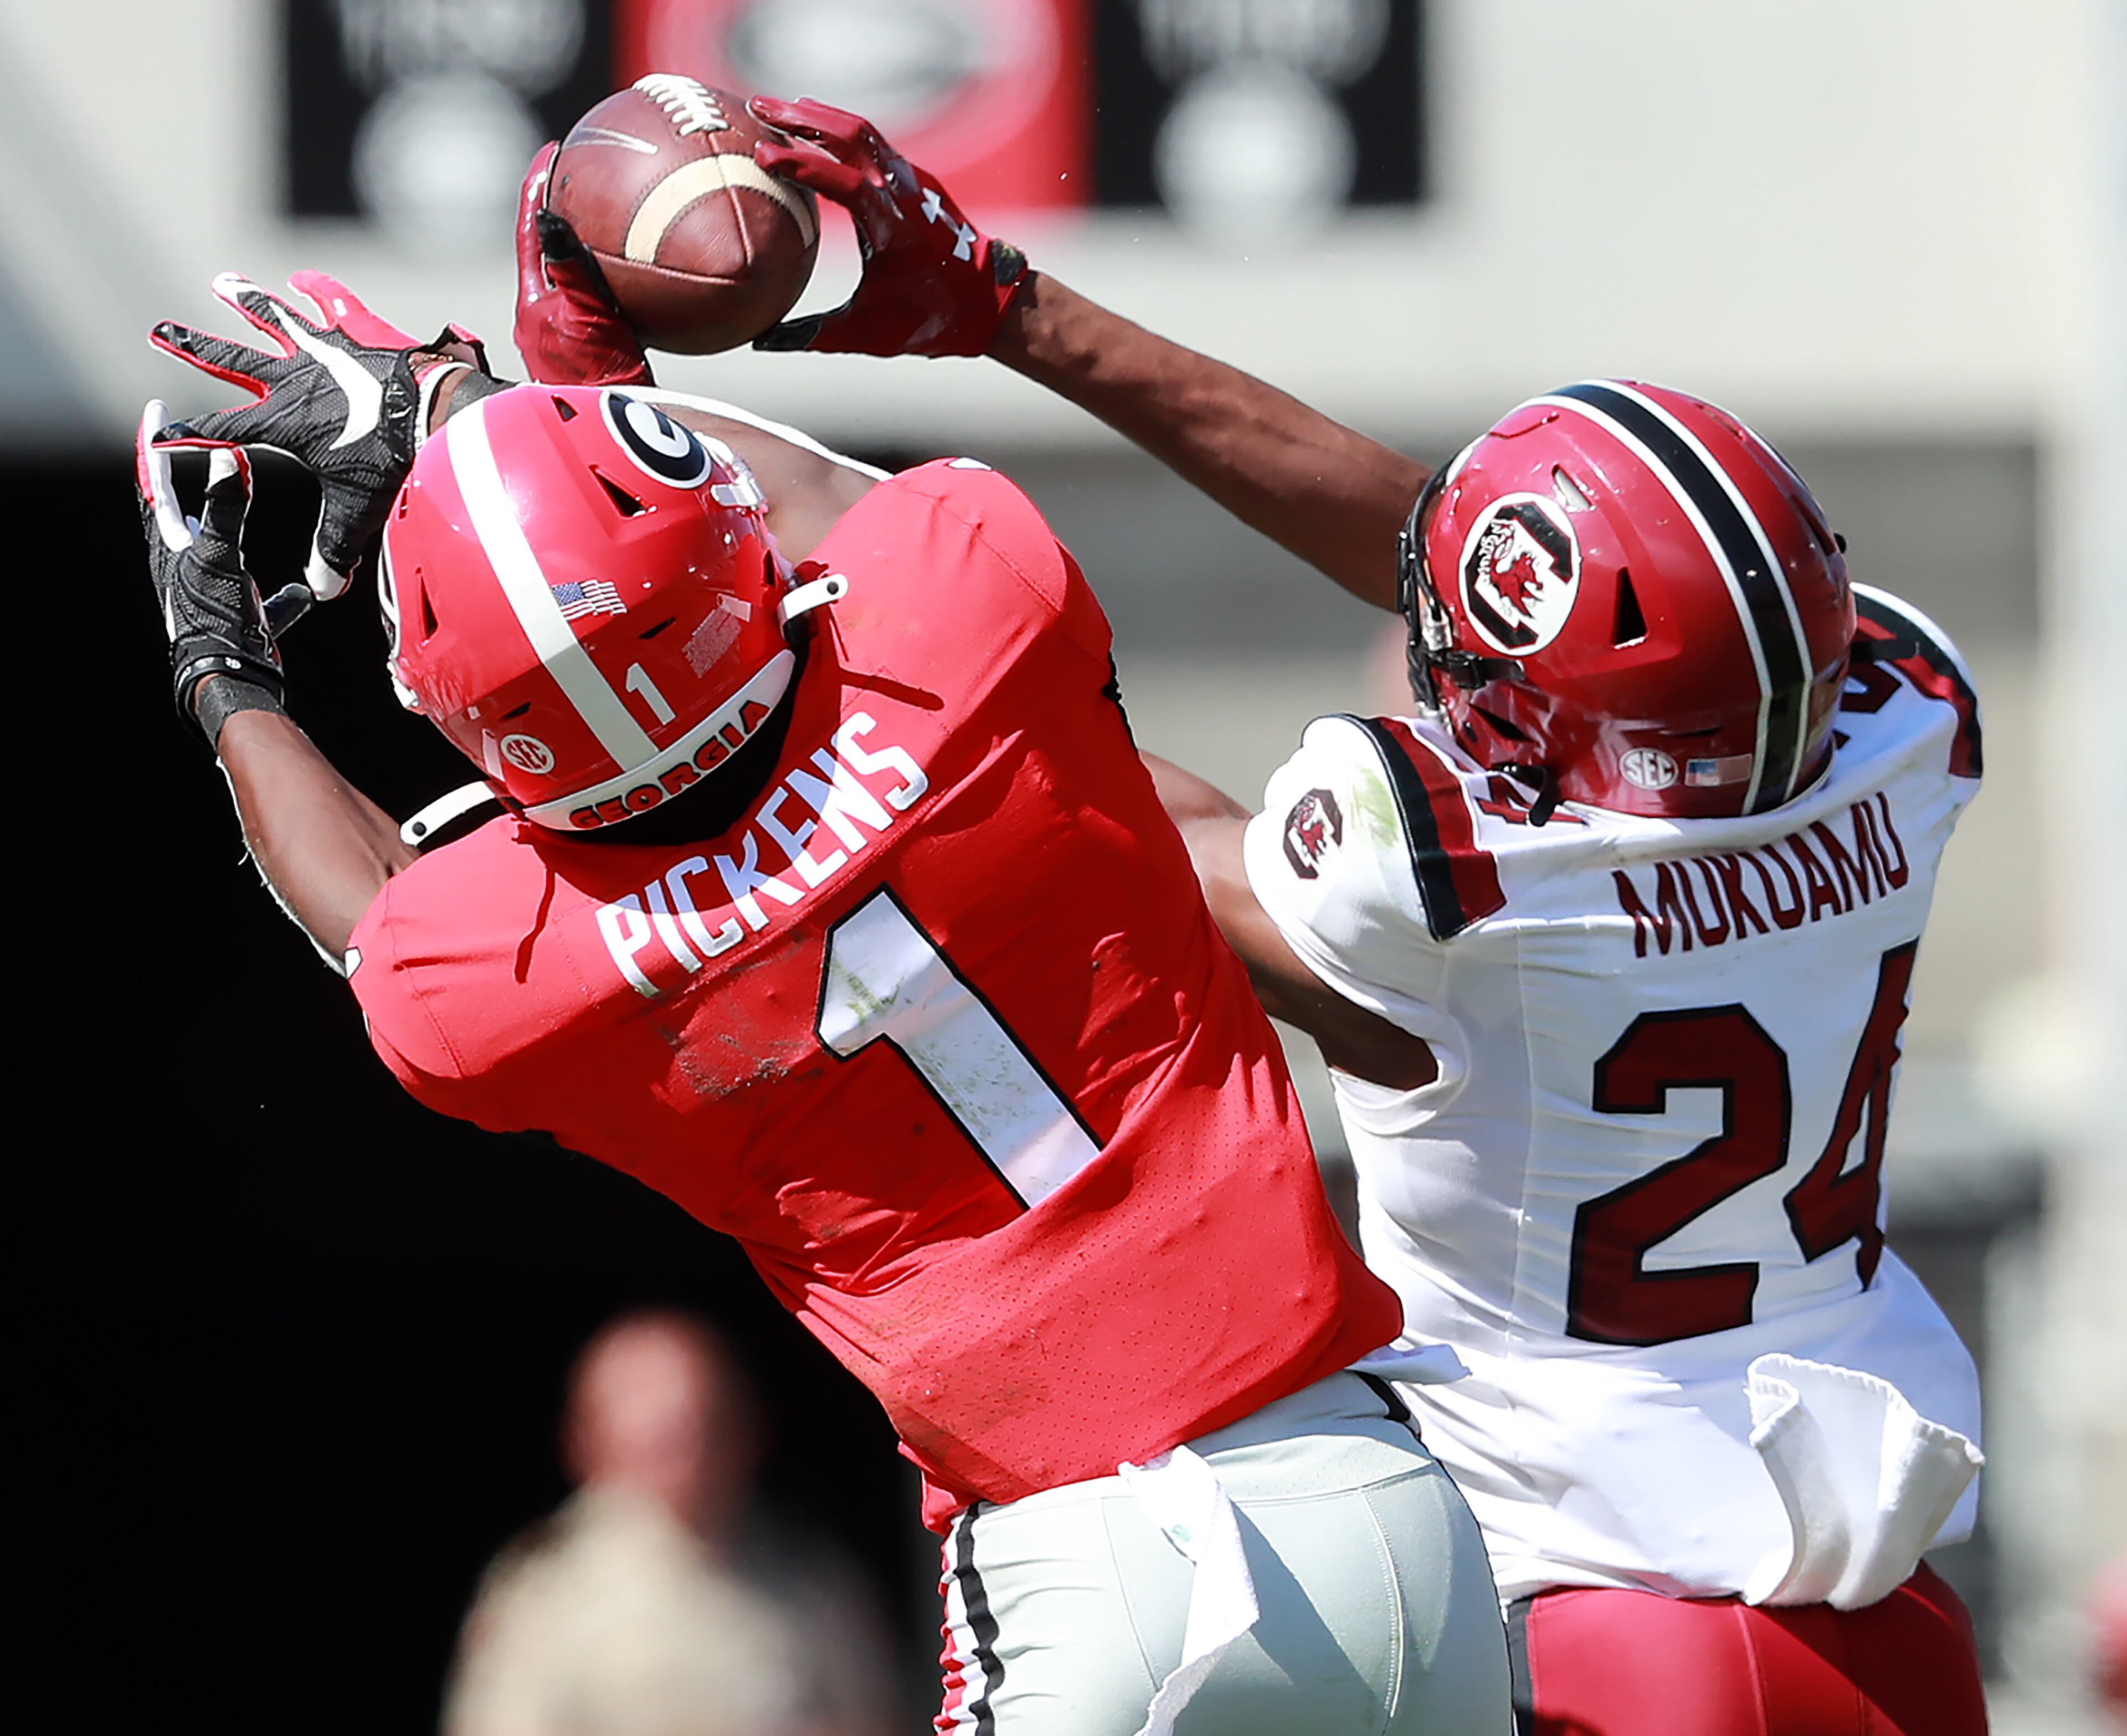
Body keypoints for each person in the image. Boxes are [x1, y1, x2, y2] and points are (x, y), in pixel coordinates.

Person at [133, 156, 1510, 1736]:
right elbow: (800, 509)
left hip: (1076, 1561)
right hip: (1373, 1494)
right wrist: (461, 406)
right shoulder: (965, 614)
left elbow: (364, 900)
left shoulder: (507, 983)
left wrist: (220, 658)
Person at [706, 95, 1995, 1736]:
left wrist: (610, 501)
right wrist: (1004, 312)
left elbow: (1047, 783)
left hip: (1573, 1620)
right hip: (1881, 1613)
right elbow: (1445, 565)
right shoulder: (1900, 736)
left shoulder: (1454, 884)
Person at [444, 1310, 895, 1736]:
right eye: (658, 1436)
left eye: (705, 1426)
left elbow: (880, 1716)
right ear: (587, 1443)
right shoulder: (541, 1590)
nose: (689, 1456)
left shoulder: (817, 1578)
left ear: (750, 1432)